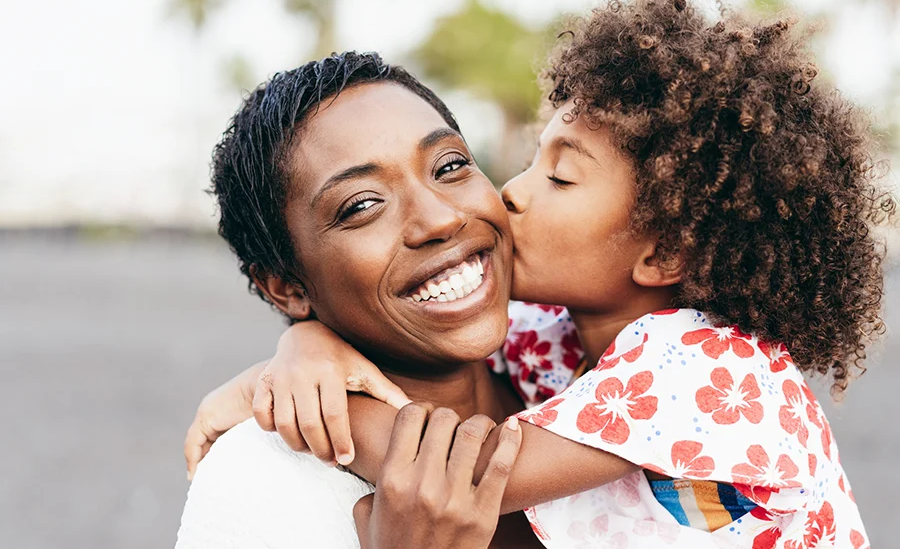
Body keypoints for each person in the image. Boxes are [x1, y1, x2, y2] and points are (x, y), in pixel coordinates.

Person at [187, 0, 890, 547]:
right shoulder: (554, 338)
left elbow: (472, 468)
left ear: (663, 255)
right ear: (285, 284)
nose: (510, 192)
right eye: (362, 204)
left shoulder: (714, 368)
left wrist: (274, 396)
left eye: (560, 178)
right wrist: (301, 346)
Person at [175, 50, 635, 549]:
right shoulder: (257, 488)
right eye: (362, 205)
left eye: (450, 165)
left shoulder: (577, 371)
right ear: (287, 288)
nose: (440, 218)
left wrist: (268, 374)